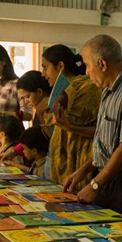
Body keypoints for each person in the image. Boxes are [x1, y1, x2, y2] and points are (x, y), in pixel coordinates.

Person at [62, 34, 122, 226]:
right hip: (108, 177)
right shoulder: (108, 90)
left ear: (102, 64)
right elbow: (107, 145)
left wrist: (95, 184)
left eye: (88, 66)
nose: (87, 72)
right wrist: (83, 171)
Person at [41, 44, 101, 190]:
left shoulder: (87, 88)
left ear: (60, 66)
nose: (43, 73)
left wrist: (67, 125)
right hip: (61, 161)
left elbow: (97, 129)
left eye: (45, 67)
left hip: (81, 159)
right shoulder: (60, 93)